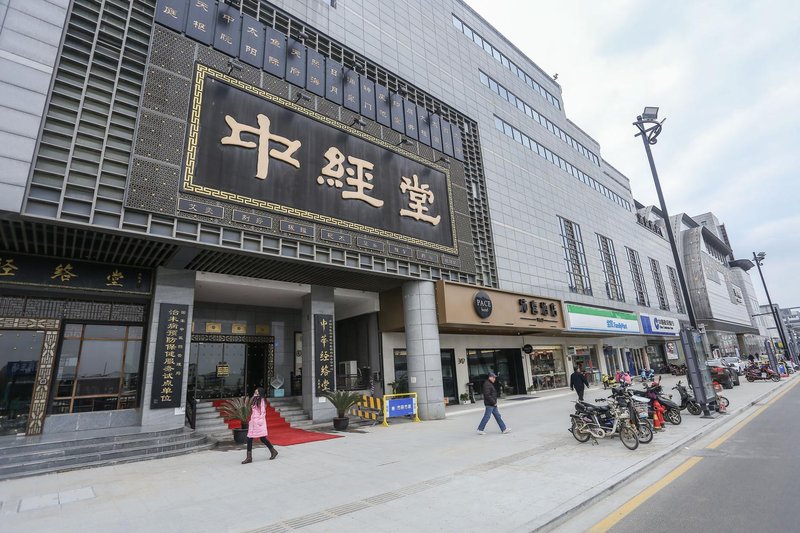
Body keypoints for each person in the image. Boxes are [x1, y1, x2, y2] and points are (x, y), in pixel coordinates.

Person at [242, 387, 278, 464]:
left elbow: (263, 412)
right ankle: (249, 457)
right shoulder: (255, 399)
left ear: (260, 393)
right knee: (250, 438)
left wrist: (259, 421)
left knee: (262, 438)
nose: (255, 392)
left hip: (258, 423)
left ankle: (273, 451)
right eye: (255, 391)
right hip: (253, 422)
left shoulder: (261, 400)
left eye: (257, 391)